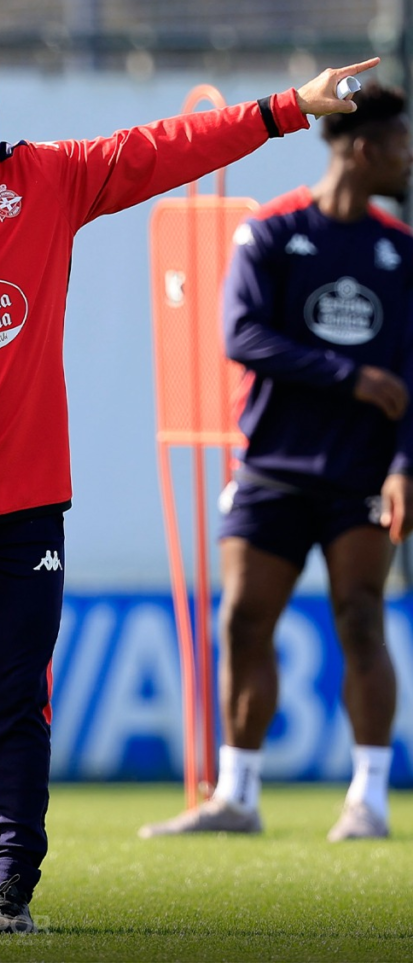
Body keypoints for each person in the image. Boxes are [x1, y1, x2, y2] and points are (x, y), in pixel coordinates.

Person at [0, 38, 379, 931]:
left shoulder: (46, 181)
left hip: (25, 507)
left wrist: (292, 105)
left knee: (19, 700)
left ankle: (10, 892)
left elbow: (166, 146)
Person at [139, 82, 413, 843]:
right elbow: (241, 337)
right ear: (361, 150)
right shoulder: (271, 232)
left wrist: (405, 464)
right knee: (243, 620)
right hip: (271, 468)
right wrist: (349, 375)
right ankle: (236, 795)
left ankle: (367, 800)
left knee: (361, 619)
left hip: (362, 474)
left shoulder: (400, 252)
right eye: (399, 145)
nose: (408, 157)